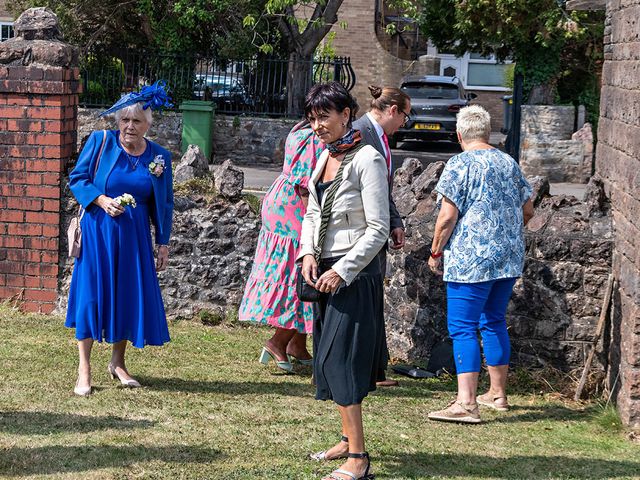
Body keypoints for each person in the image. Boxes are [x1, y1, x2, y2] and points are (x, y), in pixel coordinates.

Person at [299, 82, 389, 480]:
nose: (318, 125)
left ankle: (359, 459)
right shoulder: (324, 158)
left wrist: (342, 270)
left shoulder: (367, 158)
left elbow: (378, 228)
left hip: (354, 273)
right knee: (328, 360)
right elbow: (312, 214)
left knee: (341, 360)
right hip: (325, 269)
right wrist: (307, 253)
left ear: (346, 115)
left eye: (325, 117)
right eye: (313, 118)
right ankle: (346, 440)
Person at [426, 105, 534, 423]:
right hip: (508, 259)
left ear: (459, 135)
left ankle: (466, 403)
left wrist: (435, 253)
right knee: (494, 321)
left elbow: (446, 218)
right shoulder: (508, 162)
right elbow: (528, 210)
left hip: (471, 260)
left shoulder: (460, 164)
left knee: (462, 327)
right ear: (488, 133)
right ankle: (498, 394)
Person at [66, 81, 174, 396]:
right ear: (118, 121)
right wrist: (101, 200)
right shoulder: (101, 142)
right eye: (124, 120)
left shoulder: (159, 158)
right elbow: (78, 178)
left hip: (135, 237)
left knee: (126, 296)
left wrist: (162, 242)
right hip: (99, 232)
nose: (129, 126)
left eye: (136, 121)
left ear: (147, 125)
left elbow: (164, 203)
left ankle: (117, 362)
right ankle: (84, 367)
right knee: (91, 296)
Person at [239, 122, 324, 372]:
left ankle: (297, 344)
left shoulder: (302, 129)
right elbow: (304, 184)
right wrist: (314, 224)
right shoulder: (313, 137)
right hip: (294, 209)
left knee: (298, 276)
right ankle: (278, 342)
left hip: (282, 203)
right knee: (299, 276)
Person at [353, 85, 411, 388]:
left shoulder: (379, 136)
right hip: (362, 229)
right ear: (392, 110)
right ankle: (368, 370)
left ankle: (376, 370)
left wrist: (395, 221)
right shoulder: (360, 132)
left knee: (374, 297)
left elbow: (382, 189)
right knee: (365, 298)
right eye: (405, 116)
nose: (405, 122)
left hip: (377, 227)